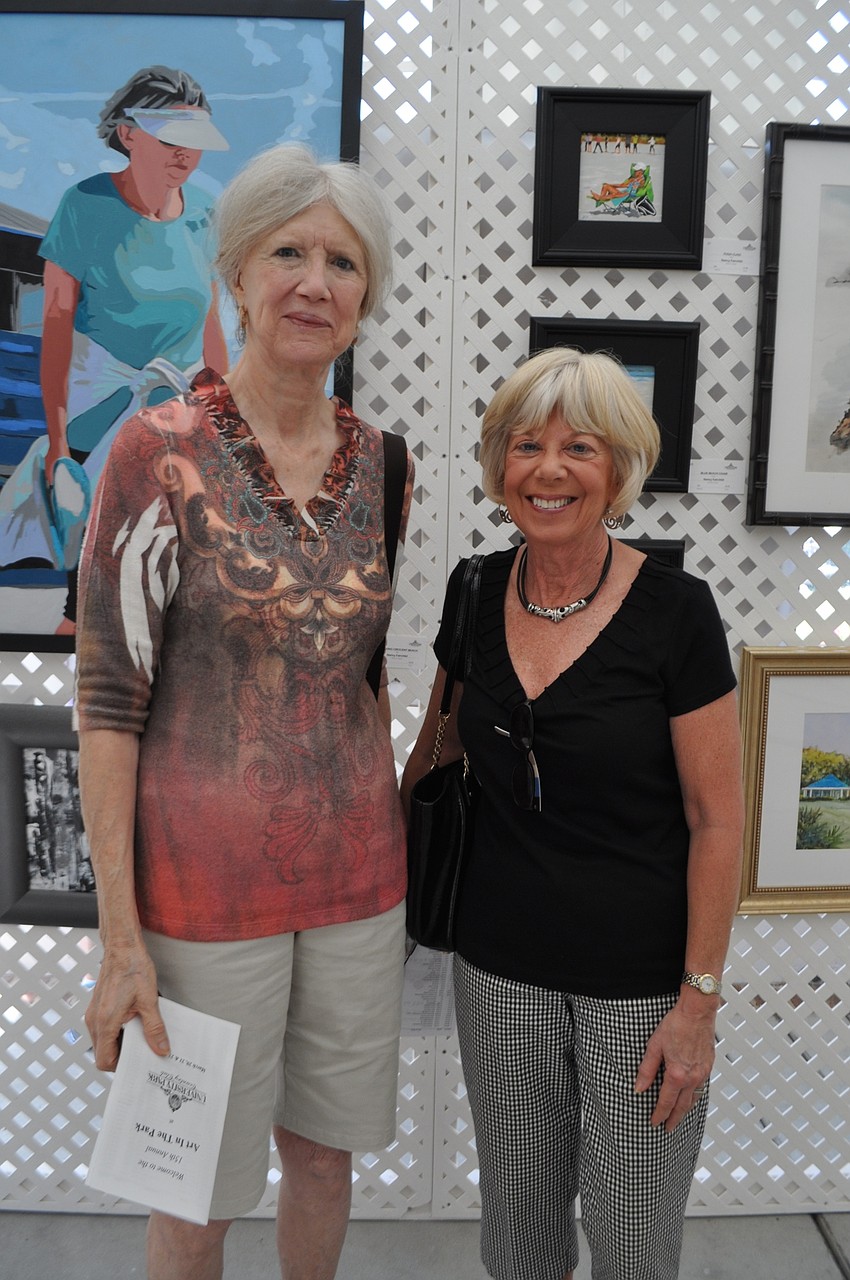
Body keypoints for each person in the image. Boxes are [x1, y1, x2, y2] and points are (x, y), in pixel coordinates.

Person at [76, 143, 413, 1280]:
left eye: (343, 262)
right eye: (288, 253)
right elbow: (109, 702)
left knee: (322, 1159)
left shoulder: (388, 467)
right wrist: (121, 938)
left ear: (366, 295)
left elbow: (364, 677)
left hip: (360, 883)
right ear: (236, 272)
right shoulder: (155, 453)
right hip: (198, 895)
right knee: (195, 1191)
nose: (315, 282)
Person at [402, 347, 744, 1280]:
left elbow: (719, 820)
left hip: (641, 987)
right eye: (525, 446)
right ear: (498, 467)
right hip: (497, 969)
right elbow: (437, 753)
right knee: (518, 1228)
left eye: (579, 447)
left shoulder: (678, 613)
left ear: (621, 469)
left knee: (634, 1238)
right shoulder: (474, 588)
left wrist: (698, 1006)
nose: (548, 470)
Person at [0, 65, 229, 631]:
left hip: (181, 403)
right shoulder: (84, 206)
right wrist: (56, 444)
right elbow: (55, 327)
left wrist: (222, 410)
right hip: (96, 397)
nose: (185, 155)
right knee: (97, 535)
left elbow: (211, 322)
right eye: (170, 138)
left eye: (194, 142)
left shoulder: (204, 213)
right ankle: (77, 622)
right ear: (129, 134)